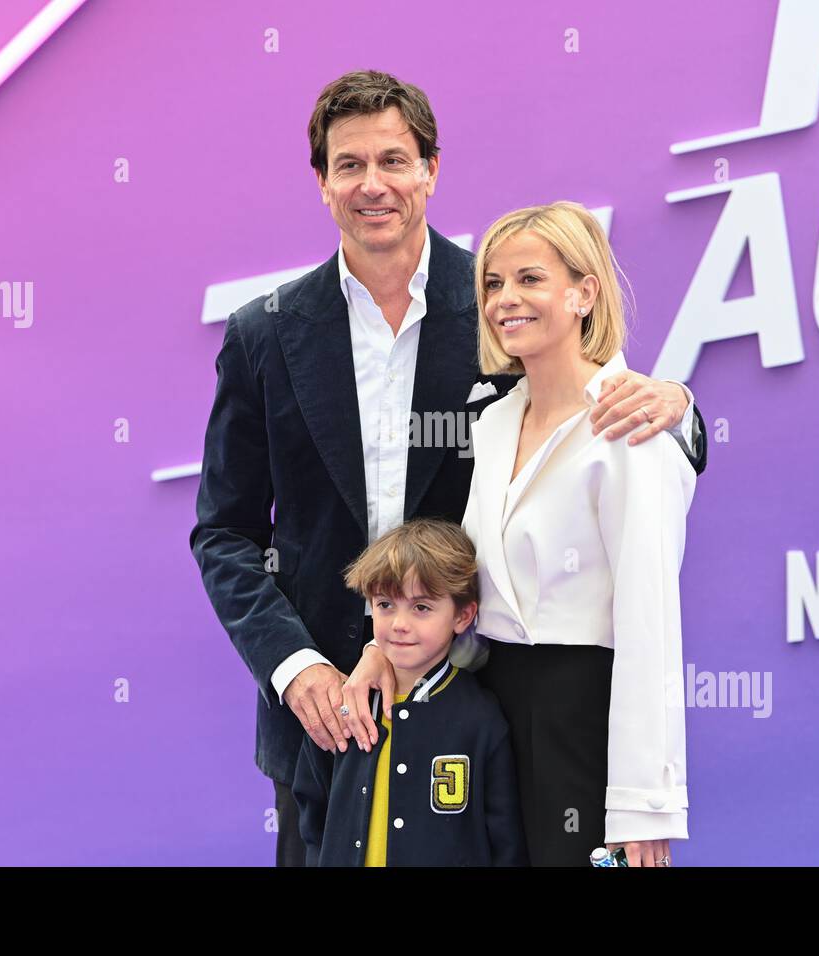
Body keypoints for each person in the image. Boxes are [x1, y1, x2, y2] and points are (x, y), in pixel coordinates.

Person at [189, 69, 707, 867]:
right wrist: (297, 673)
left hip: (482, 714)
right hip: (325, 727)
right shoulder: (264, 334)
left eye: (394, 161)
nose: (373, 184)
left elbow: (604, 406)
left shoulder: (500, 307)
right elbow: (224, 532)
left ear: (431, 170)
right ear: (321, 181)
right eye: (349, 164)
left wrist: (679, 401)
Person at [343, 201, 696, 867]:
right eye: (494, 284)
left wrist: (643, 804)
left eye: (530, 279)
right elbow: (455, 580)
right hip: (490, 709)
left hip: (583, 719)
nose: (506, 299)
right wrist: (383, 651)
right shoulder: (494, 422)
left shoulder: (632, 428)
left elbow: (651, 625)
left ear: (584, 291)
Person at [290, 518, 527, 866]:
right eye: (386, 604)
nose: (400, 624)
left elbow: (504, 838)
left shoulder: (480, 717)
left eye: (421, 607)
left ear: (463, 615)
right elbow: (312, 813)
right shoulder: (344, 707)